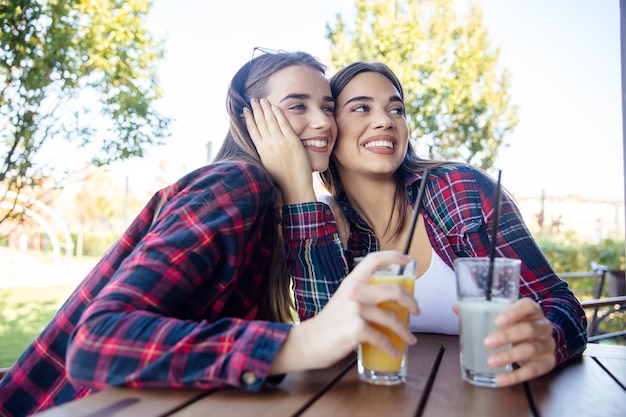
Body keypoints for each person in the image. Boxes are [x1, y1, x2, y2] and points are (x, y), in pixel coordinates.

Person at [0, 51, 419, 417]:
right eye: (297, 106)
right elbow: (97, 342)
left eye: (327, 107)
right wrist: (303, 342)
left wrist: (298, 192)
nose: (322, 122)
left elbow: (333, 336)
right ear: (249, 118)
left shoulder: (274, 204)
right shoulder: (235, 184)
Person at [255, 61, 588, 388]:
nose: (384, 121)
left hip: (492, 392)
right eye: (361, 108)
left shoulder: (458, 188)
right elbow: (323, 339)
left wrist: (551, 337)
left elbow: (560, 304)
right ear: (330, 128)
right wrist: (300, 192)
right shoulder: (326, 225)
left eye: (396, 110)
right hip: (378, 401)